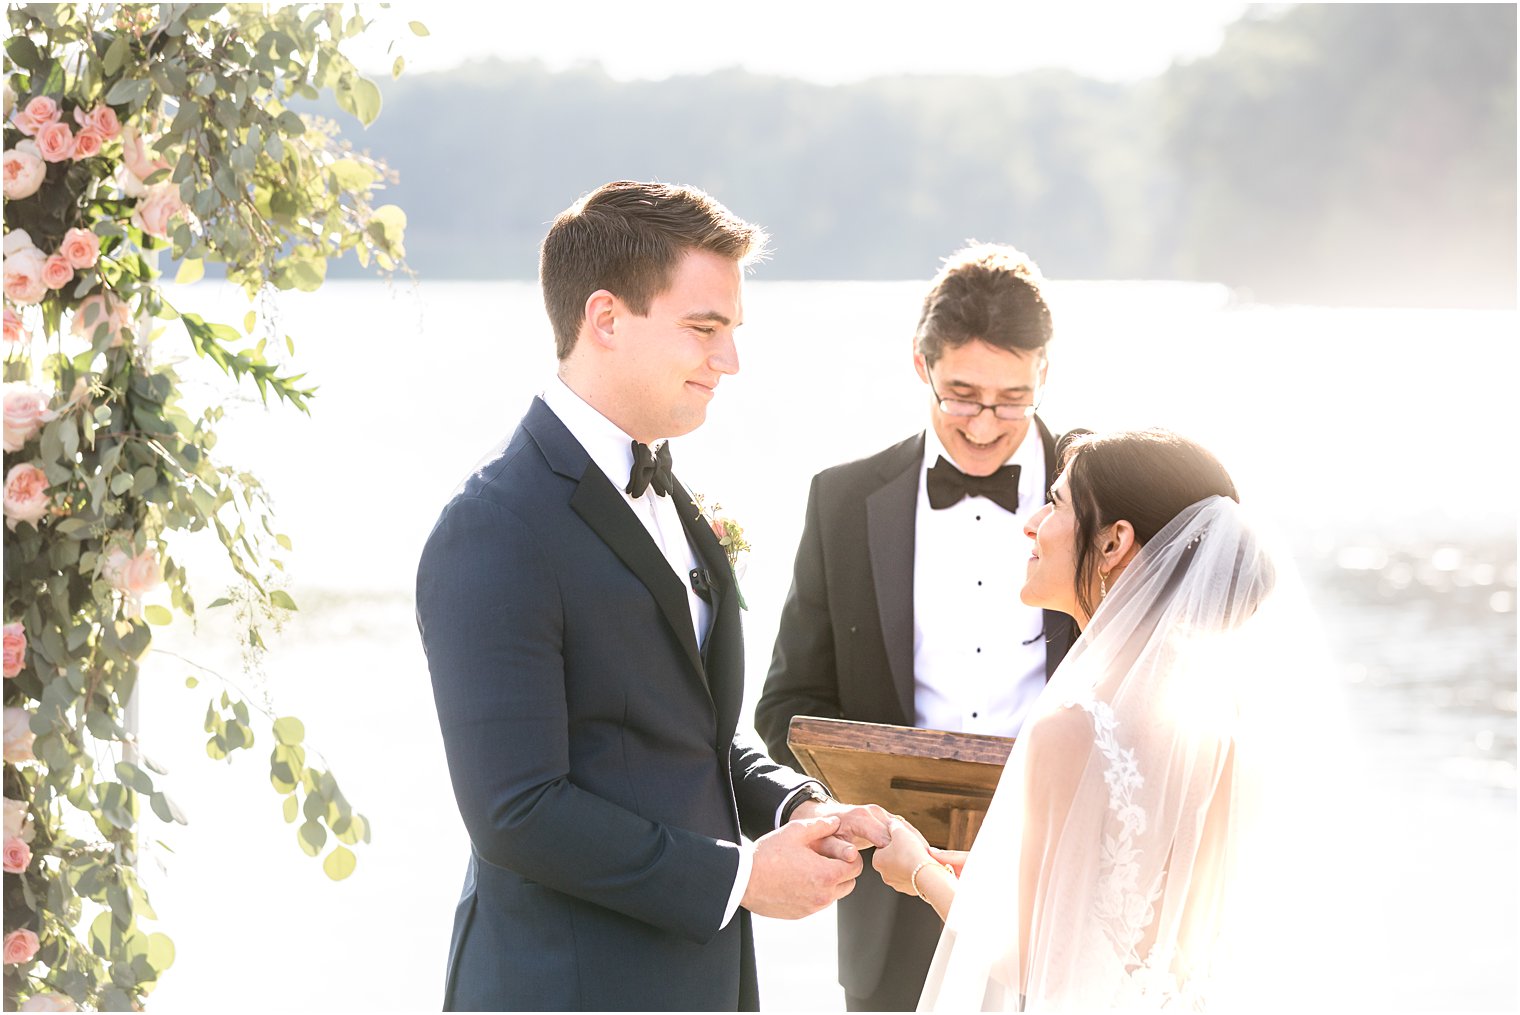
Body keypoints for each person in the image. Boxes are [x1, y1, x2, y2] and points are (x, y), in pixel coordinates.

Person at [416, 180, 891, 1012]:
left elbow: (688, 732)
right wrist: (743, 875)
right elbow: (516, 810)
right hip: (563, 986)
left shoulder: (664, 489)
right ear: (605, 318)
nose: (729, 360)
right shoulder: (494, 526)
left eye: (733, 332)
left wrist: (798, 802)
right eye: (704, 329)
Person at [871, 428, 1314, 1010]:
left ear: (1113, 544)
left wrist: (920, 875)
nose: (1032, 523)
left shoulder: (1073, 727)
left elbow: (1030, 962)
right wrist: (987, 875)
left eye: (1055, 503)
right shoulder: (1224, 718)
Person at [755, 243, 1080, 1010]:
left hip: (1068, 887)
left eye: (1012, 399)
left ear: (1045, 375)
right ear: (919, 365)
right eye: (961, 394)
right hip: (892, 908)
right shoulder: (841, 500)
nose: (984, 424)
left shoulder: (1100, 494)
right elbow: (785, 705)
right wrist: (866, 799)